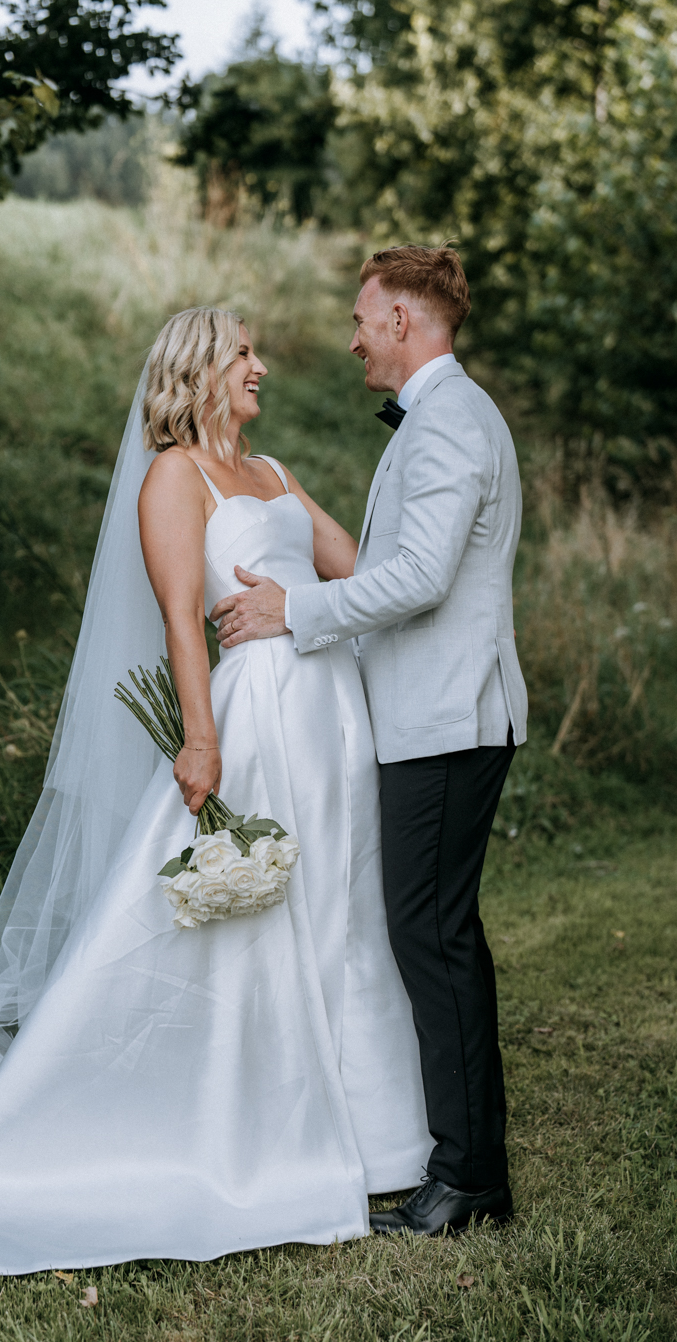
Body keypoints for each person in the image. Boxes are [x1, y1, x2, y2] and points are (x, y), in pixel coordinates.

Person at [0, 306, 432, 1295]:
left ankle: (377, 1139)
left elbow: (361, 574)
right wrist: (201, 739)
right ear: (199, 370)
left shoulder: (276, 474)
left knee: (344, 906)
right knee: (248, 925)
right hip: (257, 716)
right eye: (243, 353)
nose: (261, 366)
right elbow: (179, 619)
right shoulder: (174, 477)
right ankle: (233, 1124)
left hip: (333, 717)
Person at [213, 246, 528, 1237]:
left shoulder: (451, 420)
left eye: (361, 319)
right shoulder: (441, 416)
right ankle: (469, 1163)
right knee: (434, 934)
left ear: (401, 320)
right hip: (433, 717)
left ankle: (468, 1176)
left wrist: (294, 611)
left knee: (430, 937)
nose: (352, 339)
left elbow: (420, 578)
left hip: (447, 721)